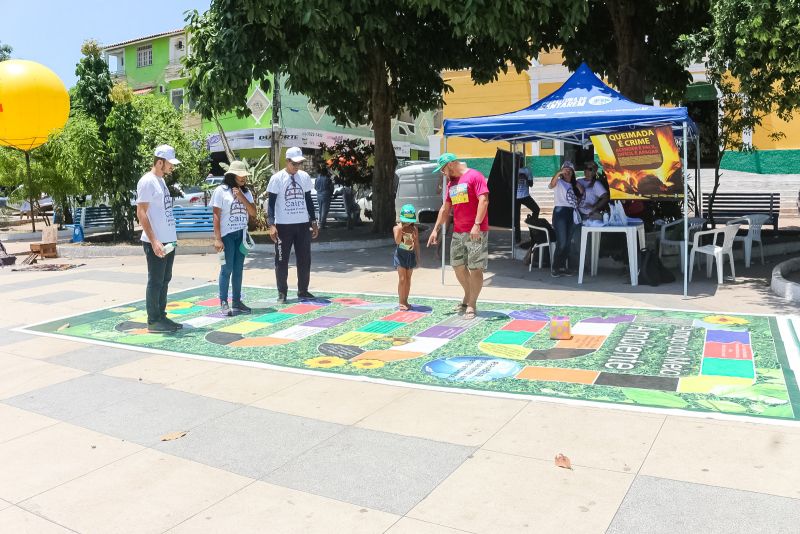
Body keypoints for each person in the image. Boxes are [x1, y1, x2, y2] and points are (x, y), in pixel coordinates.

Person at [427, 152, 489, 320]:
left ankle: (472, 304)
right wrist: (435, 230)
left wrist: (476, 225)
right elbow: (445, 209)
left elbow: (483, 200)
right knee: (457, 265)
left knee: (475, 268)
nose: (443, 173)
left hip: (476, 230)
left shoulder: (475, 176)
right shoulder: (451, 184)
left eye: (443, 170)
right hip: (458, 232)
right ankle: (468, 295)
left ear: (451, 165)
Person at [136, 145, 181, 333]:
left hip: (168, 240)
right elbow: (141, 212)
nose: (172, 167)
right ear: (160, 162)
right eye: (170, 163)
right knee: (155, 280)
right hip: (156, 241)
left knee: (165, 279)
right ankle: (153, 320)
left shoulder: (160, 181)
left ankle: (161, 316)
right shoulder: (147, 181)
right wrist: (154, 241)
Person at [267, 146, 319, 304]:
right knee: (282, 260)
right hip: (284, 226)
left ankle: (303, 290)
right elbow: (271, 204)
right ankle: (282, 293)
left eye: (299, 164)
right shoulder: (277, 178)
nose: (297, 167)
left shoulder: (304, 177)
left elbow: (309, 200)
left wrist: (313, 221)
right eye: (294, 164)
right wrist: (271, 224)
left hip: (302, 225)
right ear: (287, 161)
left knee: (304, 259)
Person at [212, 160, 257, 316]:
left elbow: (253, 213)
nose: (243, 178)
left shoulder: (246, 192)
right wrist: (217, 238)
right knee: (227, 269)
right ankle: (223, 301)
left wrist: (242, 198)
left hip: (241, 235)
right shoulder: (221, 191)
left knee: (238, 270)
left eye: (245, 175)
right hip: (227, 235)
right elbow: (216, 215)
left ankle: (237, 302)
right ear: (232, 176)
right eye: (240, 175)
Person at [548, 161, 584, 277]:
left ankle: (562, 267)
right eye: (565, 170)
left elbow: (581, 194)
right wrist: (559, 173)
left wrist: (577, 185)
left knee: (568, 243)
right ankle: (555, 267)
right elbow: (551, 185)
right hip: (560, 212)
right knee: (562, 242)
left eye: (570, 170)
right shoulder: (558, 182)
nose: (567, 172)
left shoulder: (574, 184)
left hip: (572, 212)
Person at [393, 204, 421, 311]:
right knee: (402, 278)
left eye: (409, 220)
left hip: (410, 255)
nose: (408, 223)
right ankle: (401, 301)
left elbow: (416, 244)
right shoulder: (396, 228)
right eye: (406, 220)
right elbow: (397, 241)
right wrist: (401, 228)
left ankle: (406, 300)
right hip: (400, 255)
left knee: (408, 279)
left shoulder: (414, 229)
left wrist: (418, 257)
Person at [514, 155, 540, 243]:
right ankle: (517, 238)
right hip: (515, 197)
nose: (520, 161)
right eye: (518, 159)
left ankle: (532, 227)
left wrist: (525, 178)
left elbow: (531, 184)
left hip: (525, 196)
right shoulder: (512, 169)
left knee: (536, 209)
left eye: (521, 159)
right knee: (516, 218)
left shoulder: (527, 170)